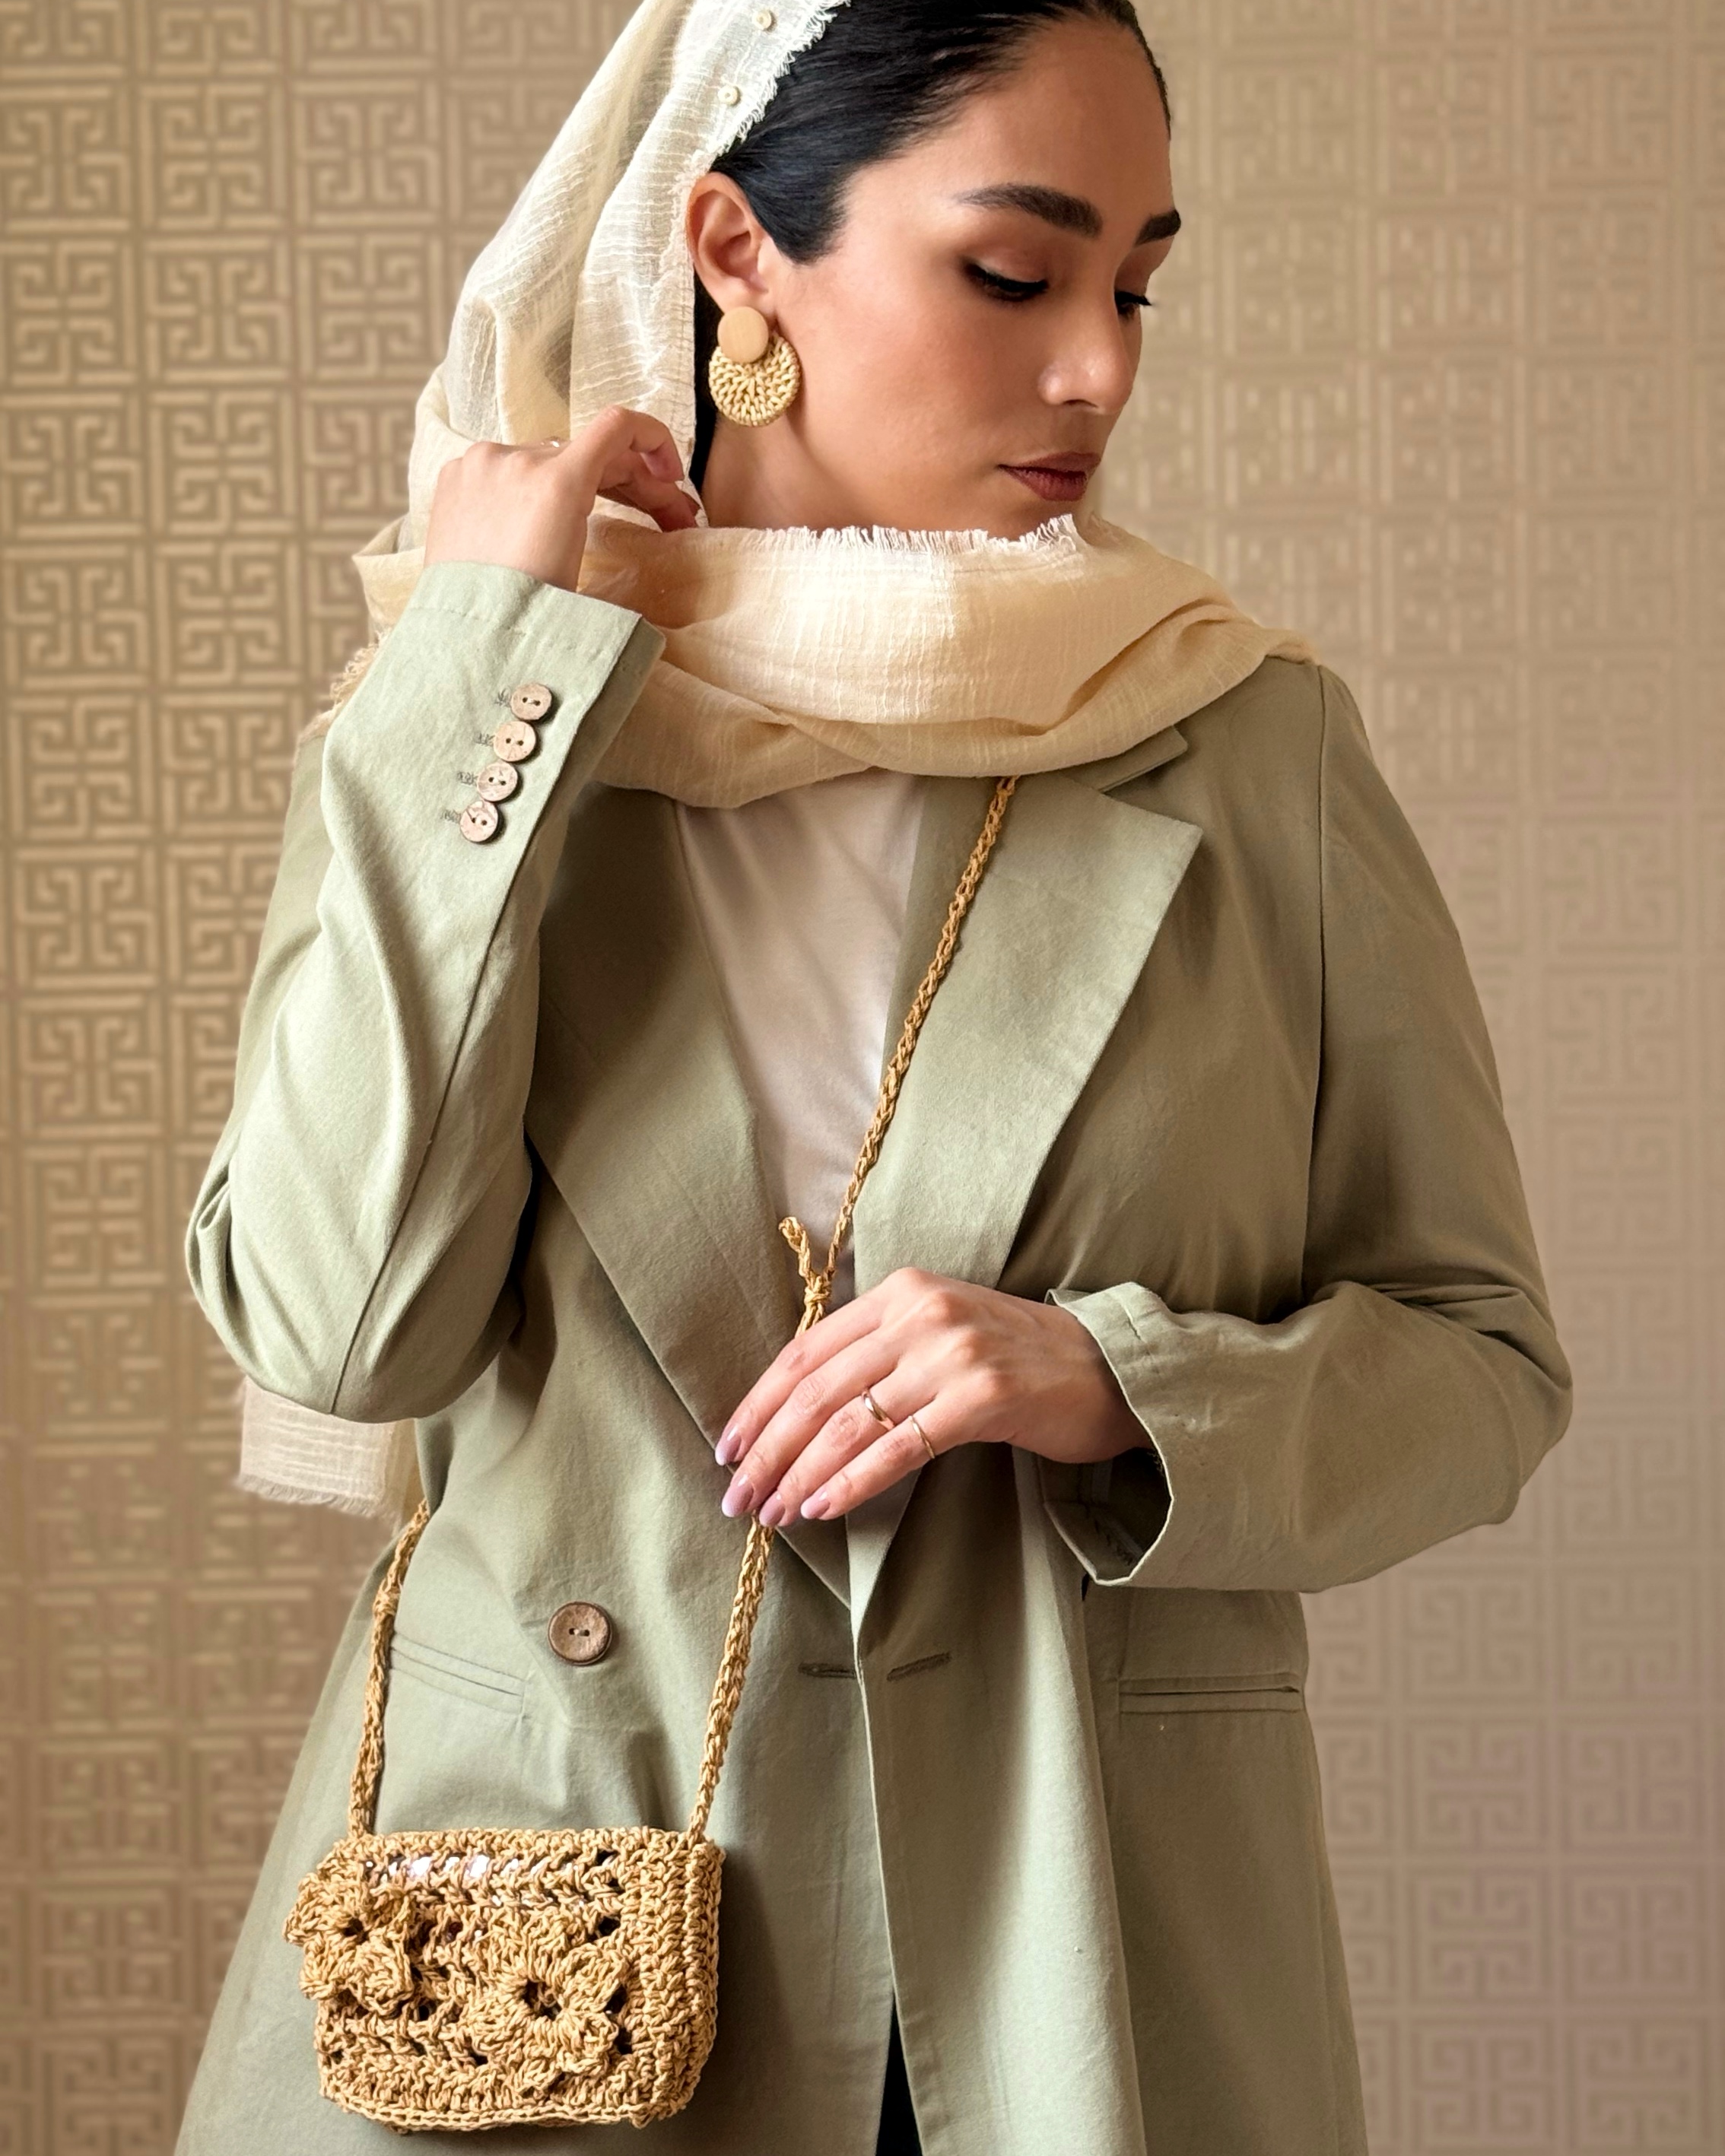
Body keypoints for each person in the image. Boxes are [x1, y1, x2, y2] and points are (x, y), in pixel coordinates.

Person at [176, 2, 1571, 2151]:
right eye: (1012, 272)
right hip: (548, 1955)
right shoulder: (478, 721)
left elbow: (1480, 1364)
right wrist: (469, 663)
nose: (1097, 369)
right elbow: (339, 1329)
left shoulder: (1239, 738)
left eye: (1134, 287)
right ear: (738, 251)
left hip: (1079, 1946)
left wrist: (1108, 1378)